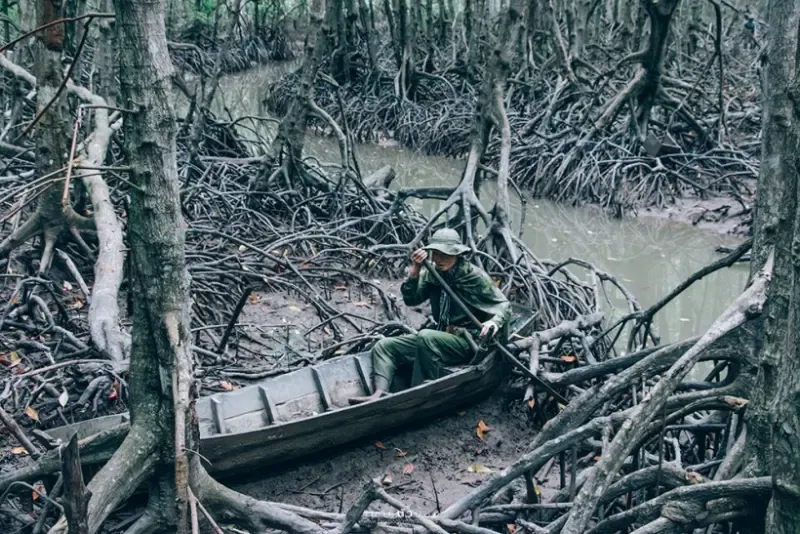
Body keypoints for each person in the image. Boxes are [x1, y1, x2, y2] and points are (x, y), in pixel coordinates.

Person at [348, 228, 511, 404]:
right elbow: (411, 300)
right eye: (436, 253)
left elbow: (504, 305)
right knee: (384, 346)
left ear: (456, 254)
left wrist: (494, 323)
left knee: (426, 337)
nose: (439, 259)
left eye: (445, 254)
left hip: (467, 342)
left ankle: (420, 393)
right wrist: (415, 271)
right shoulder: (432, 273)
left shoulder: (474, 276)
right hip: (439, 337)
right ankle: (378, 394)